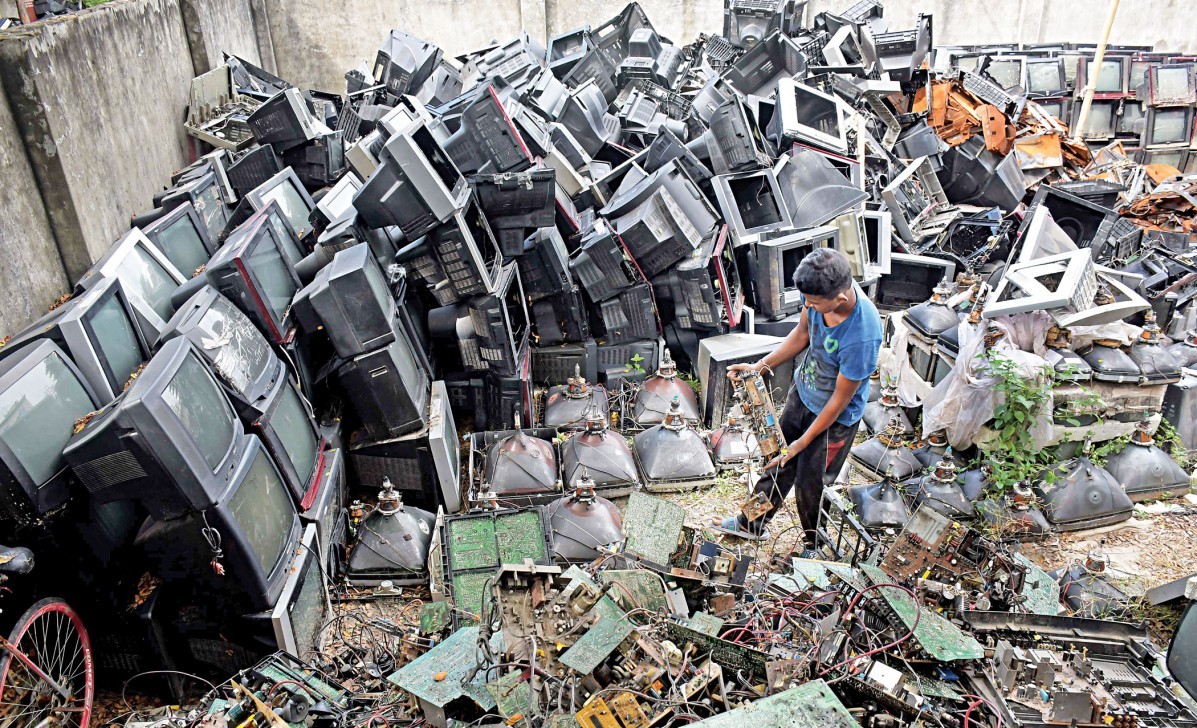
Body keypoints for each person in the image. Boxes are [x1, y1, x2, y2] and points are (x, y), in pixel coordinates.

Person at [713, 248, 882, 545]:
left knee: (812, 485)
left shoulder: (863, 335)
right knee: (777, 463)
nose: (807, 306)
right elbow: (802, 334)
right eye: (805, 300)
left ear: (840, 299)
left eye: (813, 303)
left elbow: (839, 400)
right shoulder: (819, 292)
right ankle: (751, 523)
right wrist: (760, 366)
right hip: (803, 394)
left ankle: (813, 546)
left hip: (834, 421)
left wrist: (802, 443)